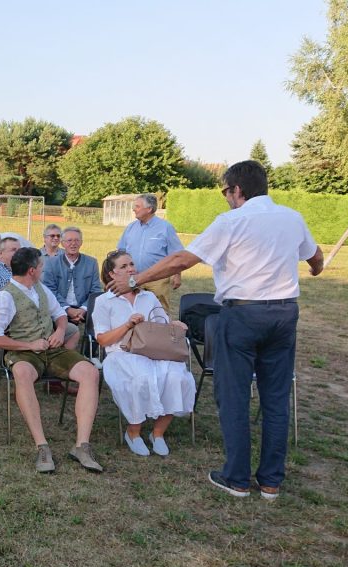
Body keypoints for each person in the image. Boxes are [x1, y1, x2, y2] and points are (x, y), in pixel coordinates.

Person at [107, 160, 324, 499]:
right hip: (284, 314)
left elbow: (182, 260)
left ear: (237, 190)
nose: (225, 197)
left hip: (242, 315)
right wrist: (314, 269)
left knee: (234, 396)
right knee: (276, 399)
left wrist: (134, 279)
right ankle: (270, 481)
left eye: (226, 191)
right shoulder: (292, 218)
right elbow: (316, 259)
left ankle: (236, 478)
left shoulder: (232, 221)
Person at [0, 247, 103, 474]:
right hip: (23, 351)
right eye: (40, 266)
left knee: (90, 373)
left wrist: (60, 331)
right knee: (22, 374)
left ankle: (82, 445)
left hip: (51, 349)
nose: (42, 269)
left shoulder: (40, 288)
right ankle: (42, 446)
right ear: (31, 271)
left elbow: (59, 314)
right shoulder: (6, 296)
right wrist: (29, 345)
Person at [94, 250, 195, 457]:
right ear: (112, 274)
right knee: (141, 379)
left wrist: (174, 325)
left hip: (154, 351)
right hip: (121, 353)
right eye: (124, 266)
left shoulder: (148, 296)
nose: (131, 268)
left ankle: (157, 433)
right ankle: (133, 432)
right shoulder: (105, 301)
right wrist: (127, 325)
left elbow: (162, 327)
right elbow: (103, 340)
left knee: (177, 377)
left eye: (132, 264)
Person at [117, 194, 185, 311]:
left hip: (158, 279)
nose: (133, 209)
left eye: (137, 206)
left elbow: (177, 253)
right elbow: (120, 252)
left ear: (149, 209)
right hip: (133, 278)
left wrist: (177, 275)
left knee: (159, 311)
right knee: (132, 310)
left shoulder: (165, 227)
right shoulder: (130, 228)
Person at [41, 226, 102, 334]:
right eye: (69, 240)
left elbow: (96, 290)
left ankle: (90, 349)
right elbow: (50, 290)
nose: (73, 244)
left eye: (76, 240)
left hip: (84, 308)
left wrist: (83, 309)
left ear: (81, 242)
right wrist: (68, 309)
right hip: (59, 308)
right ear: (62, 243)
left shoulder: (91, 262)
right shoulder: (51, 263)